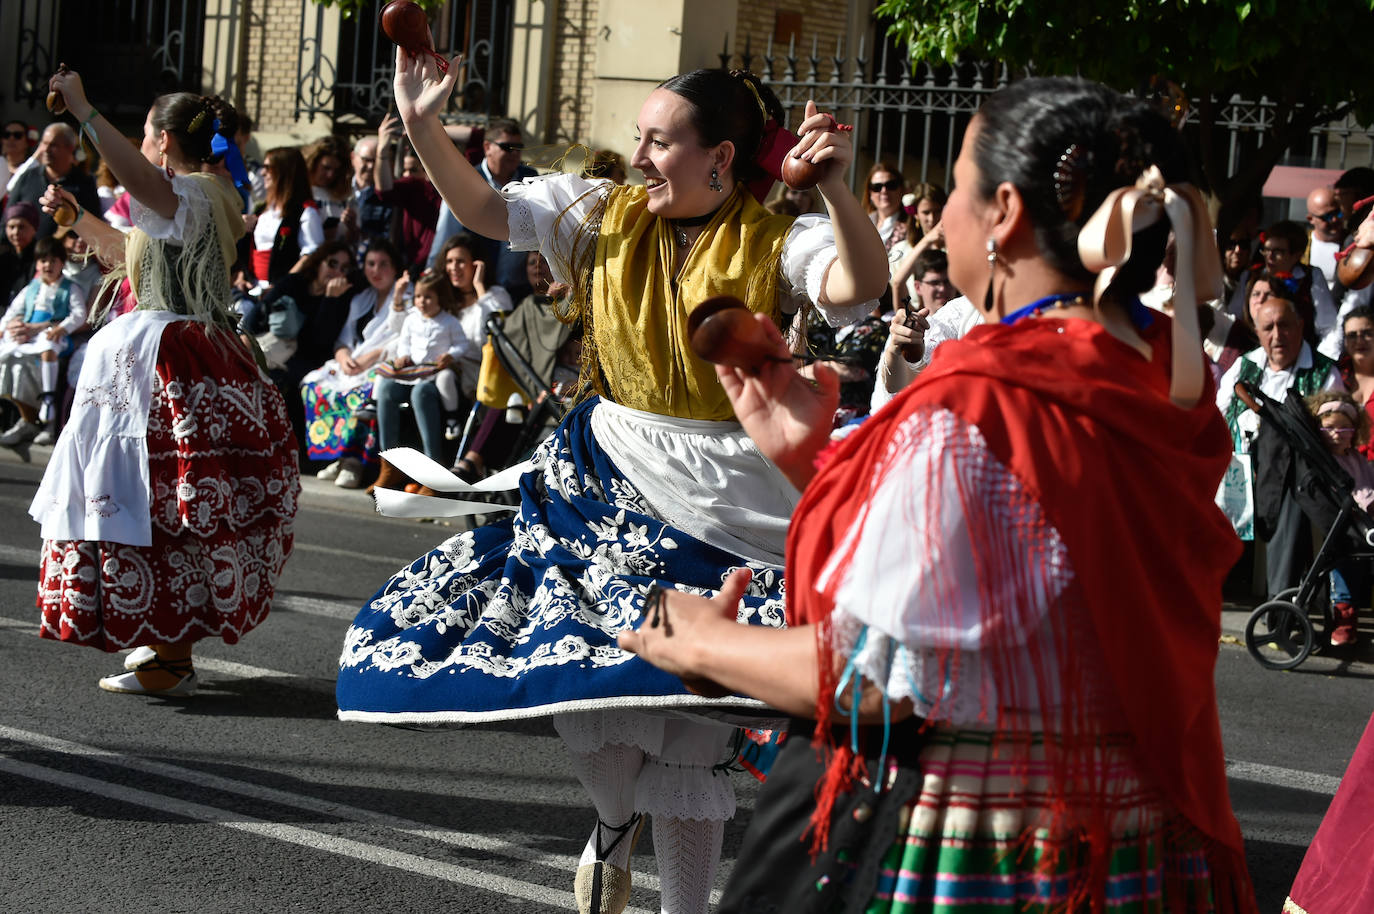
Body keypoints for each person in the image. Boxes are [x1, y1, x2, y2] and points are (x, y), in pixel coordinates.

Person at [618, 75, 1258, 913]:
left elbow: (885, 677)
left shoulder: (991, 402)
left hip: (996, 849)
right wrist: (809, 460)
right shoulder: (1153, 374)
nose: (941, 213)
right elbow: (1024, 566)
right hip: (1134, 844)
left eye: (955, 186)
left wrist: (693, 641)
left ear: (1003, 214)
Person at [336, 49, 887, 914]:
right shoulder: (598, 213)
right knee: (593, 682)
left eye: (660, 142)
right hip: (608, 476)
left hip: (732, 496)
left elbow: (860, 282)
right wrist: (421, 124)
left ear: (721, 158)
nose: (637, 157)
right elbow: (482, 208)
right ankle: (609, 822)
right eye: (639, 138)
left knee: (692, 728)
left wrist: (835, 191)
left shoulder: (782, 238)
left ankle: (682, 906)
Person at [28, 69, 299, 696]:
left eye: (147, 135)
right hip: (165, 357)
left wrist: (85, 111)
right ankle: (165, 643)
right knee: (152, 503)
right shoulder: (192, 197)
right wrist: (75, 217)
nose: (143, 147)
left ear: (166, 141)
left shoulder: (198, 191)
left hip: (173, 362)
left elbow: (143, 185)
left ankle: (171, 654)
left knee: (163, 504)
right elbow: (132, 255)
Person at [303, 239, 408, 488]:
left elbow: (404, 336)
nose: (376, 270)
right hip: (352, 364)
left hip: (384, 365)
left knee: (363, 393)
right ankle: (338, 455)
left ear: (394, 268)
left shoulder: (406, 295)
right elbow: (344, 338)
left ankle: (355, 462)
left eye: (383, 264)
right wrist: (343, 356)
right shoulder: (362, 298)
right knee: (313, 384)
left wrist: (369, 359)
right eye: (371, 264)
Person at [428, 117, 539, 301]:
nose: (515, 154)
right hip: (475, 285)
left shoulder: (530, 179)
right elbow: (446, 230)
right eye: (507, 147)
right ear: (487, 147)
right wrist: (432, 272)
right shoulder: (468, 179)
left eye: (519, 148)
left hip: (518, 288)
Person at [0, 236, 88, 451]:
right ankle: (26, 418)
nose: (48, 265)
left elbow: (79, 314)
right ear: (38, 263)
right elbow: (13, 311)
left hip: (53, 335)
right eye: (44, 261)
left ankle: (48, 403)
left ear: (62, 262)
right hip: (29, 338)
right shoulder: (32, 288)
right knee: (8, 357)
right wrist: (9, 326)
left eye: (53, 260)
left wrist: (61, 327)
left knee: (49, 348)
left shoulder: (69, 288)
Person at [1304, 390, 1373, 646]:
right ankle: (1344, 619)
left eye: (1345, 429)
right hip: (1346, 522)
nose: (1337, 434)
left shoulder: (1357, 459)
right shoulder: (1326, 463)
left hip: (1362, 518)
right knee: (1344, 567)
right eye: (1331, 428)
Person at [6, 123, 102, 240]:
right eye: (44, 143)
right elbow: (7, 217)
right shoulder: (28, 177)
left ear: (70, 148)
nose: (45, 149)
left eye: (53, 145)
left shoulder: (85, 182)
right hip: (27, 256)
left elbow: (94, 224)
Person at [375, 113, 441, 272]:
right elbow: (384, 191)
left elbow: (476, 135)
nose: (406, 176)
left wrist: (434, 131)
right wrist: (382, 150)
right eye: (404, 170)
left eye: (412, 170)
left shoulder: (435, 188)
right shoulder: (412, 187)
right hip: (415, 265)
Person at [862, 161, 911, 250]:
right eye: (877, 187)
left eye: (891, 185)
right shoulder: (862, 223)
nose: (884, 191)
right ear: (870, 193)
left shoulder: (912, 224)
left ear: (901, 190)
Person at [0, 201, 39, 302]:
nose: (16, 232)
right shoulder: (4, 255)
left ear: (34, 228)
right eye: (11, 227)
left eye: (21, 227)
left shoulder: (41, 257)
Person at [0, 119, 32, 190]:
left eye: (17, 135)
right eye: (6, 135)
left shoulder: (33, 170)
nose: (11, 138)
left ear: (27, 141)